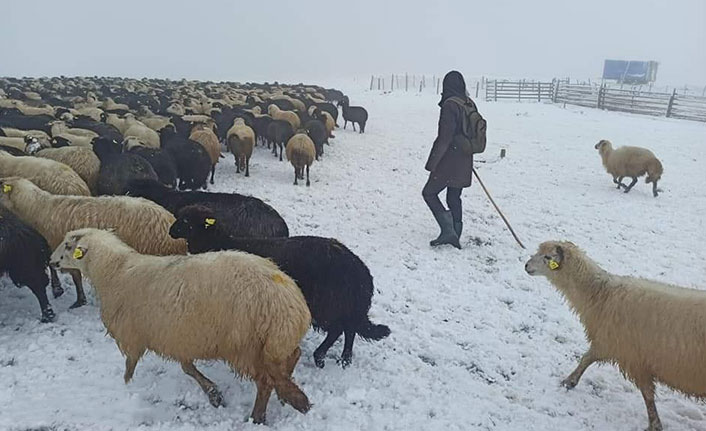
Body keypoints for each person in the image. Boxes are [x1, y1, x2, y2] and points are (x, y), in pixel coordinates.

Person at [422, 70, 475, 249]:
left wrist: (432, 163)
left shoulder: (450, 105)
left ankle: (448, 231)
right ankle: (455, 232)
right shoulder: (468, 102)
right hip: (465, 159)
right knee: (454, 196)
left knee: (428, 193)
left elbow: (444, 137)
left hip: (449, 159)